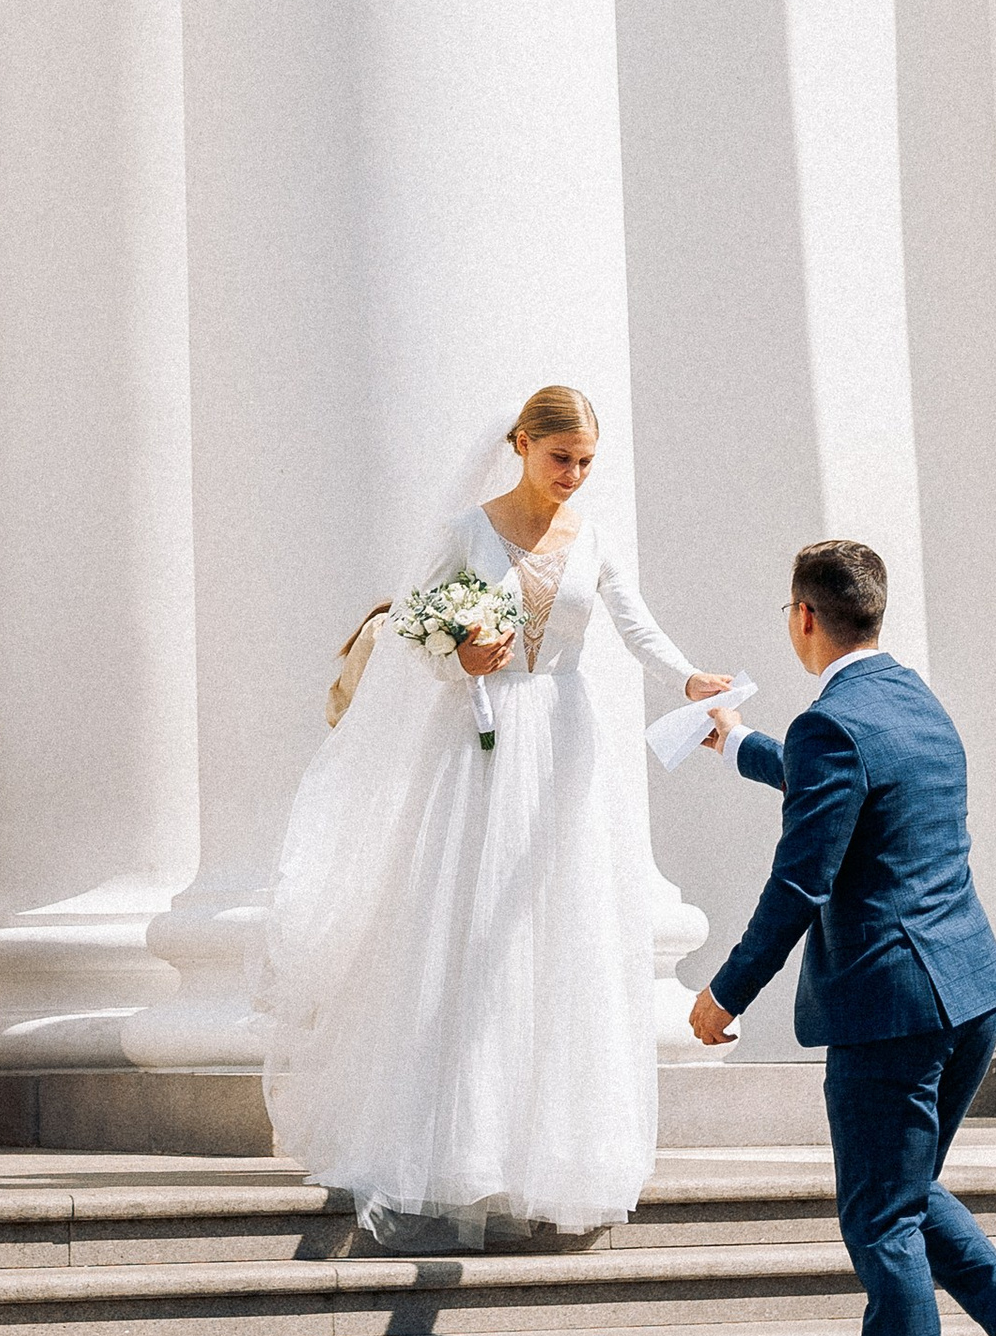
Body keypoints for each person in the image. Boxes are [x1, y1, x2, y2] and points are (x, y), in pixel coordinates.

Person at [259, 385, 734, 1241]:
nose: (574, 477)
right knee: (467, 926)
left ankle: (552, 1145)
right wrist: (461, 656)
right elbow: (411, 630)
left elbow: (635, 626)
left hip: (563, 743)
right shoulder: (466, 534)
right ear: (522, 444)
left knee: (558, 930)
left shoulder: (590, 535)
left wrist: (689, 680)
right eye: (562, 460)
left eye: (587, 464)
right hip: (479, 745)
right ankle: (456, 1143)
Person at [690, 537, 996, 1336]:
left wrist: (725, 991)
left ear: (803, 616)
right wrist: (738, 742)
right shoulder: (914, 703)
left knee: (879, 1216)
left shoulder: (832, 723)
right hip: (969, 991)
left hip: (890, 1004)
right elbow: (845, 783)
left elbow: (800, 877)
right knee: (901, 1191)